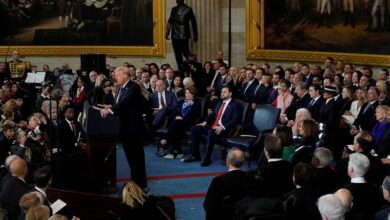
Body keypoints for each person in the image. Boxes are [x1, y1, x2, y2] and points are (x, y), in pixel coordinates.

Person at [100, 67, 147, 188]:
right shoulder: (121, 87)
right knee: (131, 158)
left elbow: (125, 102)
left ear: (125, 75)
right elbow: (119, 104)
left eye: (117, 74)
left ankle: (140, 185)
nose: (115, 76)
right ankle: (135, 182)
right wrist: (110, 106)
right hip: (125, 128)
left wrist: (110, 110)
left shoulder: (133, 87)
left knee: (137, 159)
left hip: (133, 129)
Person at [183, 86, 242, 167]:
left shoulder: (235, 105)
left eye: (224, 92)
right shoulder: (219, 103)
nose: (222, 93)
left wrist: (223, 126)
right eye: (221, 92)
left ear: (230, 94)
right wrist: (205, 122)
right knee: (194, 129)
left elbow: (235, 119)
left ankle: (207, 158)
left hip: (225, 129)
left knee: (211, 131)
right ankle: (195, 155)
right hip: (213, 126)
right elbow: (213, 114)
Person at [203, 148, 247, 220]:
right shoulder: (249, 179)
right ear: (242, 162)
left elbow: (208, 205)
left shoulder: (218, 181)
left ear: (227, 161)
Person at [160, 87, 201, 159]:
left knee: (176, 124)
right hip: (179, 122)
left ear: (193, 94)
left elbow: (194, 115)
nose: (187, 94)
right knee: (176, 124)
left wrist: (182, 118)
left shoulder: (196, 103)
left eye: (189, 93)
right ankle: (177, 151)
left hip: (189, 122)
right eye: (186, 93)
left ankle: (167, 141)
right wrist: (176, 116)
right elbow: (175, 112)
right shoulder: (181, 102)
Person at [166, 0, 198, 71]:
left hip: (182, 34)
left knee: (185, 53)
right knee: (180, 54)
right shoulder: (174, 9)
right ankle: (182, 69)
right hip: (177, 34)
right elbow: (170, 21)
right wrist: (167, 32)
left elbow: (193, 23)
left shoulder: (188, 9)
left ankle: (191, 68)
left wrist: (195, 35)